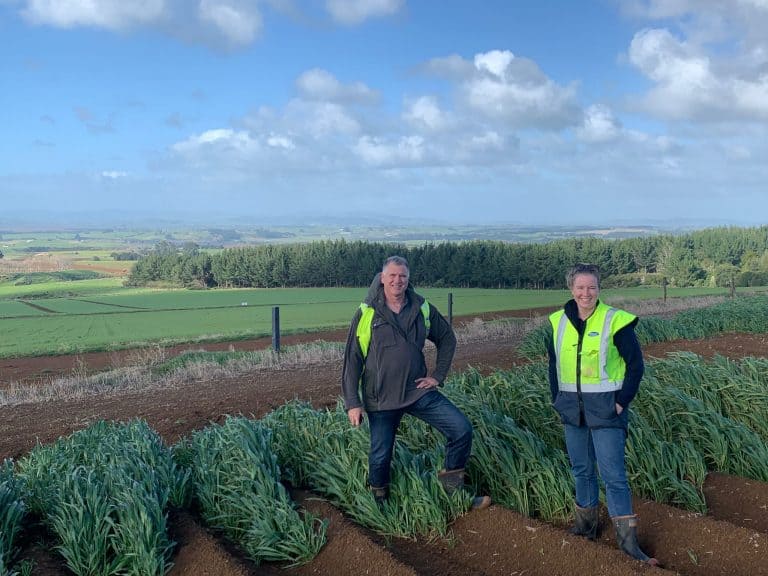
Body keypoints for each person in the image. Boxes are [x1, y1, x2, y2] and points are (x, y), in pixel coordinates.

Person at [341, 255, 491, 510]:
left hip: (417, 391)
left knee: (461, 429)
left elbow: (447, 338)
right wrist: (353, 402)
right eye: (392, 276)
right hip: (380, 397)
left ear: (408, 279)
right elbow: (352, 358)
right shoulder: (367, 313)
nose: (397, 280)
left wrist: (437, 376)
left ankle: (452, 493)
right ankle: (380, 505)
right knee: (380, 455)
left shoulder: (421, 308)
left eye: (403, 276)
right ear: (382, 278)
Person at [547, 263, 659, 566]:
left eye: (592, 287)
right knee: (581, 470)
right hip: (572, 410)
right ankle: (586, 528)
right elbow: (553, 367)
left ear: (599, 289)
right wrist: (556, 399)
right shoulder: (557, 322)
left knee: (614, 476)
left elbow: (636, 366)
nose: (586, 293)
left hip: (607, 410)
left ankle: (628, 543)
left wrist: (622, 402)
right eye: (581, 287)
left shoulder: (616, 321)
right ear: (571, 288)